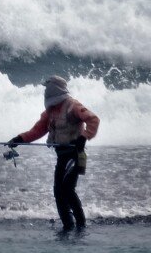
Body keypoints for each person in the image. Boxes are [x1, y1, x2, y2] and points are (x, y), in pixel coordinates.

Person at [6, 76, 100, 231]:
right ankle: (68, 225)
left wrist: (84, 137)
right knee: (58, 192)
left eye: (47, 87)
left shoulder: (73, 105)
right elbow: (37, 131)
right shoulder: (49, 112)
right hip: (62, 156)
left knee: (67, 190)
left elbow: (94, 120)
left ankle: (81, 224)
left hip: (74, 155)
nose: (45, 91)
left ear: (55, 88)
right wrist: (19, 139)